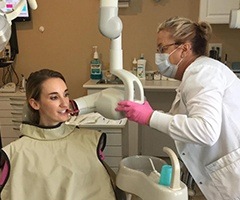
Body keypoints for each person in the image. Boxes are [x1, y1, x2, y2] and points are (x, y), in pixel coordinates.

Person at [116, 16, 240, 200]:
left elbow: (205, 131)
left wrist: (150, 117)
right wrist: (153, 114)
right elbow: (186, 122)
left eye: (162, 48)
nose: (158, 55)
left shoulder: (202, 74)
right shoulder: (199, 73)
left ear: (184, 49)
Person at [1, 69, 117, 200]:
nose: (64, 103)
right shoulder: (15, 153)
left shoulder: (90, 141)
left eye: (66, 94)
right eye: (54, 97)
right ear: (34, 103)